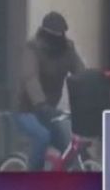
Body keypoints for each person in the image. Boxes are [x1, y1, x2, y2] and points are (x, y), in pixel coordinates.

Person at [12, 11, 85, 171]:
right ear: (44, 33)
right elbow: (30, 78)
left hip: (50, 111)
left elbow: (81, 73)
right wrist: (40, 103)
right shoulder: (32, 49)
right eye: (53, 35)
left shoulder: (68, 49)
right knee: (42, 137)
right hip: (26, 110)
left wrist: (91, 90)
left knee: (69, 146)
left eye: (60, 34)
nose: (58, 39)